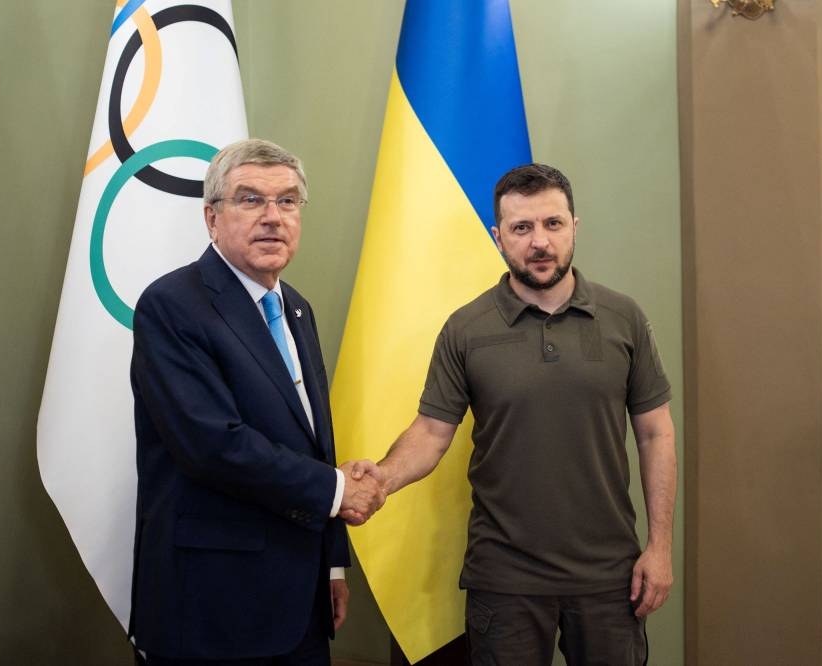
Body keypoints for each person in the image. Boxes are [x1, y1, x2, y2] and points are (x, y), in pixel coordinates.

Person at [346, 163, 676, 666]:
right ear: (499, 237)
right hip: (505, 579)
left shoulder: (623, 318)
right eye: (522, 228)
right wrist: (383, 479)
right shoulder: (465, 329)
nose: (539, 242)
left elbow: (655, 434)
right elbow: (432, 432)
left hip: (609, 574)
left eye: (552, 224)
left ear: (574, 227)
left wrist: (660, 547)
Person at [129, 138, 384, 665]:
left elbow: (315, 441)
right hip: (215, 607)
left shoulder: (296, 309)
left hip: (302, 600)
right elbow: (212, 446)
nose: (273, 217)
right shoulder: (172, 305)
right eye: (251, 200)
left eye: (287, 201)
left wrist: (332, 562)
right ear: (212, 218)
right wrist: (339, 491)